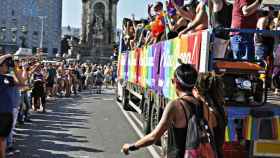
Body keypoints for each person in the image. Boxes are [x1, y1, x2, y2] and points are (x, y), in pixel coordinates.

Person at [122, 64, 200, 157]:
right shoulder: (202, 104)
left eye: (172, 81)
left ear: (177, 83)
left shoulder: (175, 105)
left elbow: (154, 137)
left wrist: (131, 146)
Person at [0, 54, 23, 158]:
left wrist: (15, 68)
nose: (7, 66)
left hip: (6, 112)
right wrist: (7, 56)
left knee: (3, 138)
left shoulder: (8, 78)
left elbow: (21, 83)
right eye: (5, 65)